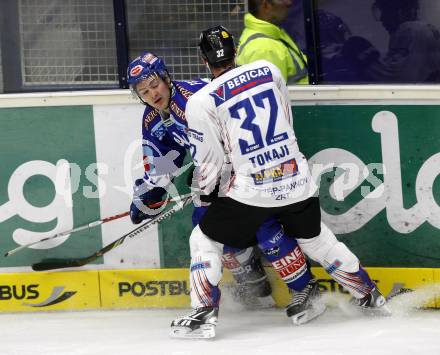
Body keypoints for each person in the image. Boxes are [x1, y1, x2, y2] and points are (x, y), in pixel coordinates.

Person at [170, 25, 389, 339]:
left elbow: (211, 165)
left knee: (203, 240)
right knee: (318, 241)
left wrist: (204, 196)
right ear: (236, 52)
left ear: (204, 61)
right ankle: (369, 295)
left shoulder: (201, 101)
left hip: (253, 191)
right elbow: (286, 119)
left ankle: (203, 312)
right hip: (296, 178)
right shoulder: (268, 70)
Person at [126, 52, 322, 316]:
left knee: (262, 223)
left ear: (166, 77)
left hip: (247, 167)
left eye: (154, 84)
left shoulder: (195, 96)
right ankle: (255, 284)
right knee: (207, 225)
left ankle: (305, 286)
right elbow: (162, 160)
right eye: (143, 91)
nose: (152, 93)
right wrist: (151, 192)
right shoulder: (153, 119)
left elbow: (234, 132)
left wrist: (217, 172)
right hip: (215, 177)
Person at [341, 0, 440, 82]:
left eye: (385, 11)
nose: (382, 20)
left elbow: (398, 78)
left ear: (400, 12)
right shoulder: (421, 28)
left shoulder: (411, 29)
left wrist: (363, 56)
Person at [236, 0, 308, 84]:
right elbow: (274, 95)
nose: (289, 3)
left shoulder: (272, 33)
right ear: (266, 6)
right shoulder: (263, 49)